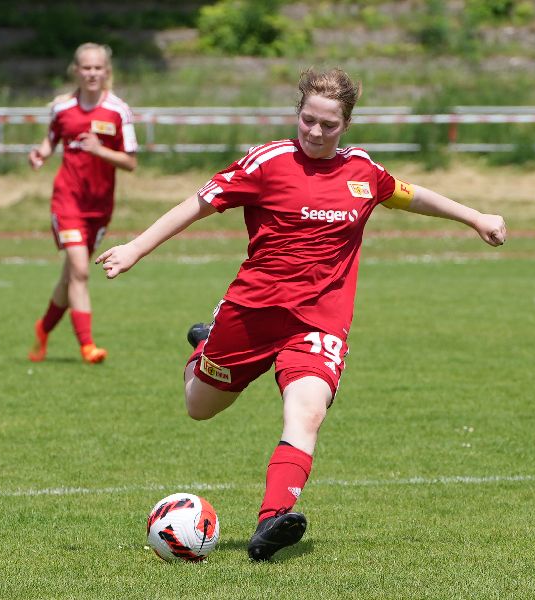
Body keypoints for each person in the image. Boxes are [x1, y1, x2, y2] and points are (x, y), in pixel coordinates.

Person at [96, 68, 506, 561]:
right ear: (298, 114)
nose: (315, 131)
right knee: (199, 406)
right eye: (308, 119)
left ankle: (271, 522)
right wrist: (135, 248)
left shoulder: (362, 172)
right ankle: (204, 345)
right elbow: (197, 205)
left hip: (318, 321)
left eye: (328, 125)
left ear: (346, 125)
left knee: (307, 412)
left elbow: (409, 194)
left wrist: (475, 217)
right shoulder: (266, 162)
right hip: (253, 312)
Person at [27, 43, 138, 364]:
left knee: (70, 278)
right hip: (67, 201)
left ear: (107, 71)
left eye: (97, 68)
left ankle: (43, 328)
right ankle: (88, 346)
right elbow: (50, 140)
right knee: (79, 270)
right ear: (75, 71)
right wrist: (40, 154)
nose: (92, 73)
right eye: (86, 68)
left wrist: (99, 150)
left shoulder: (118, 111)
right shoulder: (62, 108)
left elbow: (130, 162)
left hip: (99, 207)